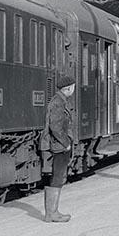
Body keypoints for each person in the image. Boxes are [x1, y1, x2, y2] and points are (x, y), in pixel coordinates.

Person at [43, 75, 76, 223]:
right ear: (68, 88)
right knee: (57, 176)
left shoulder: (60, 100)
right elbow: (55, 126)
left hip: (59, 145)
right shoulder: (58, 102)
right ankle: (51, 213)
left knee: (58, 176)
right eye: (73, 87)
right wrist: (65, 143)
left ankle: (53, 212)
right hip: (59, 146)